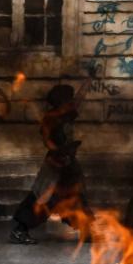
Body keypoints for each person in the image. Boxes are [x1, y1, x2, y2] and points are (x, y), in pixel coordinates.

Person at [10, 81, 93, 244]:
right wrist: (59, 153)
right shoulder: (50, 119)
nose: (72, 103)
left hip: (67, 164)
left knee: (75, 196)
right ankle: (19, 231)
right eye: (68, 100)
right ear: (61, 102)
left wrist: (87, 82)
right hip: (55, 164)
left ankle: (86, 229)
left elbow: (78, 101)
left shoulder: (67, 114)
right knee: (44, 199)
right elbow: (47, 141)